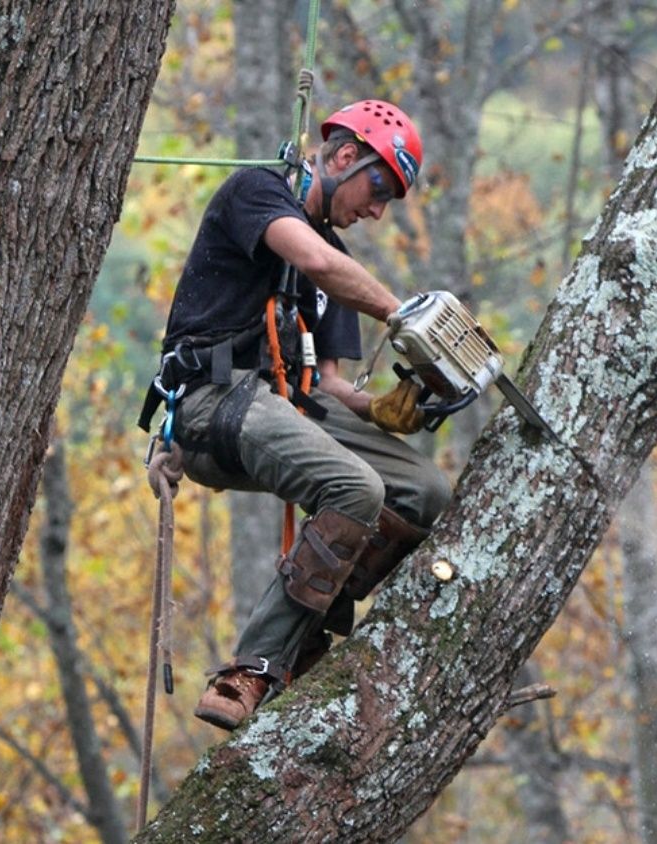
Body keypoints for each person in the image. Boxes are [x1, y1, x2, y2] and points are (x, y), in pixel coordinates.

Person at [140, 99, 452, 731]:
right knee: (355, 487)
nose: (376, 210)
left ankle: (303, 632)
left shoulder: (331, 258)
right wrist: (408, 317)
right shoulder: (256, 194)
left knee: (424, 491)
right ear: (343, 156)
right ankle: (254, 666)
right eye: (377, 188)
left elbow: (329, 383)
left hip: (282, 406)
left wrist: (383, 411)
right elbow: (316, 262)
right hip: (210, 401)